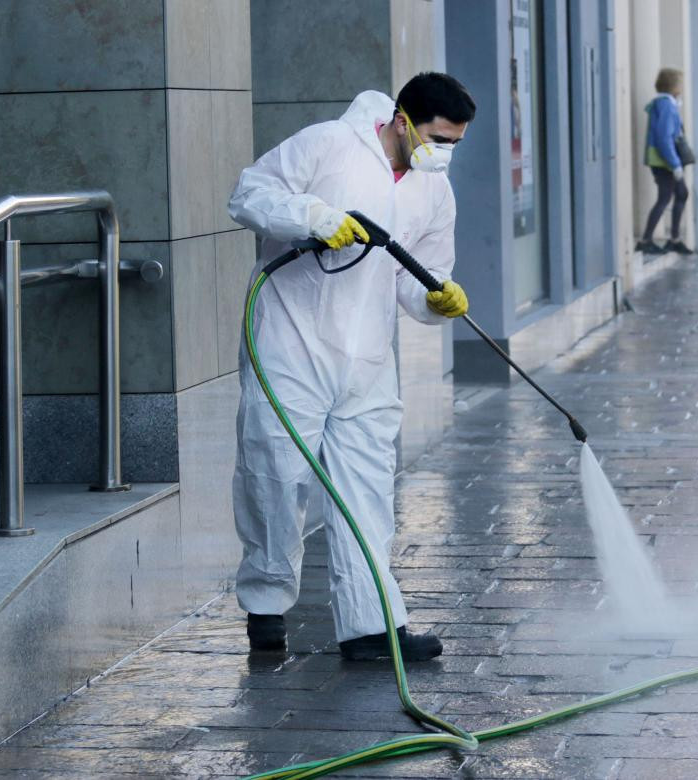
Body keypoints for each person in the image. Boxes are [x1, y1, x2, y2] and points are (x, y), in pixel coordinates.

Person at [227, 72, 475, 660]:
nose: (442, 153)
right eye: (437, 138)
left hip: (366, 361)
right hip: (291, 345)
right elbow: (248, 195)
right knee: (275, 478)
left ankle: (370, 626)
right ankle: (265, 606)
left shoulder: (434, 192)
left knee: (366, 493)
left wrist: (437, 299)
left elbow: (418, 282)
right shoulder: (326, 144)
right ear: (402, 119)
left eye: (455, 145)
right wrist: (313, 216)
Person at [638, 68, 693, 255]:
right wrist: (675, 164)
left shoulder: (661, 104)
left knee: (680, 193)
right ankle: (647, 240)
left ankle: (674, 239)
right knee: (666, 197)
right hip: (665, 161)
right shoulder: (668, 106)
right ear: (674, 86)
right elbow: (664, 138)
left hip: (662, 159)